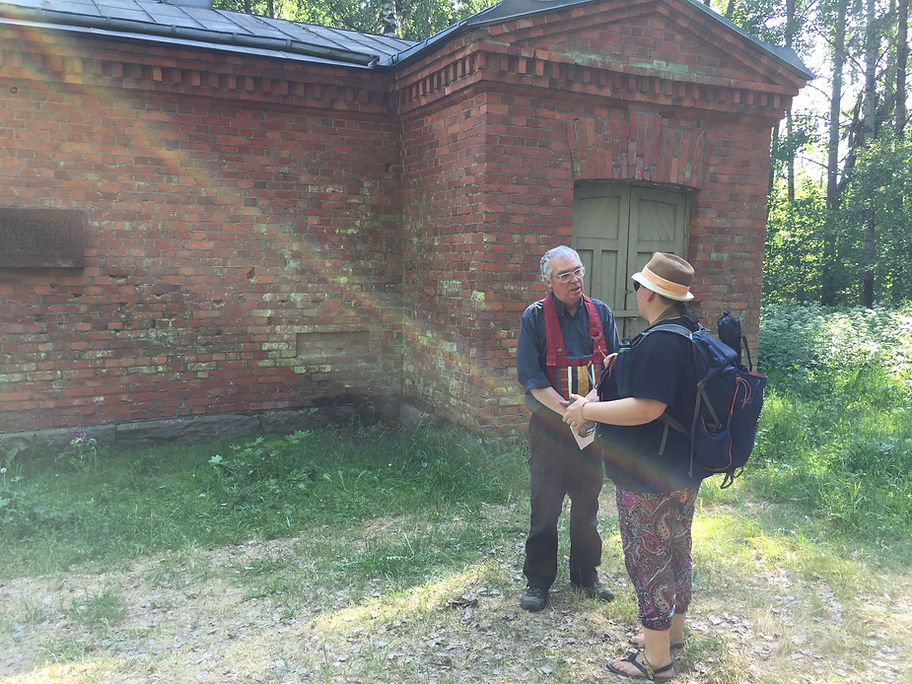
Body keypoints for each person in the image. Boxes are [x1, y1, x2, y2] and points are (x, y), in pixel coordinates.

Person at [562, 252, 704, 681]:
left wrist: (589, 411)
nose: (637, 292)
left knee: (649, 558)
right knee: (677, 550)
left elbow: (647, 408)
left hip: (648, 474)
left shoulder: (661, 341)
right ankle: (670, 634)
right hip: (682, 467)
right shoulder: (688, 332)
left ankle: (656, 660)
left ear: (650, 293)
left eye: (639, 286)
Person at [515, 245, 620, 612]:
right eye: (565, 275)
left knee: (587, 505)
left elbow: (612, 369)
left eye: (578, 271)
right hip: (549, 427)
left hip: (591, 428)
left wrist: (587, 407)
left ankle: (586, 576)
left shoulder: (601, 314)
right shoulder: (534, 318)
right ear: (547, 281)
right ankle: (539, 581)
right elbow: (530, 377)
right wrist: (567, 410)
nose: (575, 280)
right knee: (544, 507)